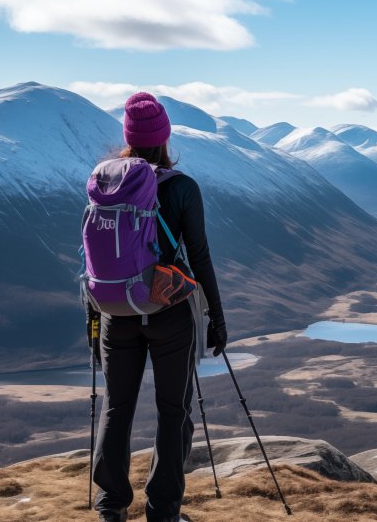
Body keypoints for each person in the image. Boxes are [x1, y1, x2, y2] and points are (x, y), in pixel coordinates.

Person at [92, 92, 228, 522]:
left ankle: (110, 509)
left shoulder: (104, 184)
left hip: (115, 310)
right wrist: (216, 316)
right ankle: (163, 513)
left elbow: (94, 257)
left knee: (117, 408)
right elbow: (200, 256)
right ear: (165, 137)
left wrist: (95, 319)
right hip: (170, 311)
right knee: (173, 412)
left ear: (128, 137)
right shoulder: (183, 187)